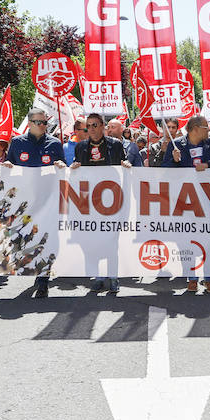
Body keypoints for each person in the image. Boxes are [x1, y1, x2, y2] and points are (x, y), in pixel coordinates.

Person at [4, 108, 66, 298]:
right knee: (27, 237)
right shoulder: (17, 143)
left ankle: (43, 279)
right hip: (25, 202)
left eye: (44, 122)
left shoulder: (55, 144)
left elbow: (64, 168)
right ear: (29, 123)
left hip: (48, 200)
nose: (42, 126)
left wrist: (62, 166)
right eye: (38, 122)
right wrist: (7, 166)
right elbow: (9, 167)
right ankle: (32, 268)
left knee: (46, 240)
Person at [69, 113, 131, 293]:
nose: (92, 129)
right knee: (92, 241)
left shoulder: (115, 144)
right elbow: (76, 169)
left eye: (95, 125)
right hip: (90, 201)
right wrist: (73, 168)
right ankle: (97, 276)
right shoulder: (81, 147)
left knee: (112, 240)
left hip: (111, 200)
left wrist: (125, 165)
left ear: (103, 126)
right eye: (89, 126)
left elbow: (123, 163)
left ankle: (113, 277)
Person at [164, 115, 210, 293]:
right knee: (186, 241)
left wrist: (207, 164)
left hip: (206, 200)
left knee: (209, 241)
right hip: (184, 201)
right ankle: (191, 277)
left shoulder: (209, 145)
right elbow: (165, 171)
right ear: (195, 128)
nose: (209, 130)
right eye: (206, 127)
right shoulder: (176, 145)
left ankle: (209, 278)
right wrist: (174, 161)